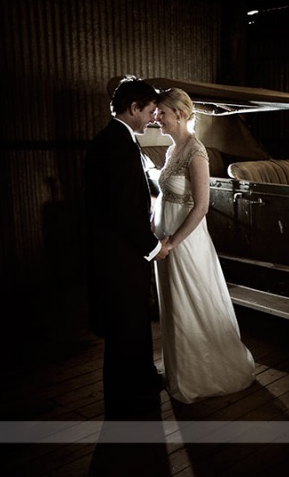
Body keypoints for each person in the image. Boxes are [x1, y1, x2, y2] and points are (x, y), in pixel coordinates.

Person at [152, 87, 256, 404]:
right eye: (156, 113)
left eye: (162, 113)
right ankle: (179, 368)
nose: (157, 119)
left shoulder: (196, 152)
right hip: (165, 240)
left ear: (180, 114)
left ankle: (200, 374)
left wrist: (173, 241)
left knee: (190, 301)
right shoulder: (172, 150)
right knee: (171, 303)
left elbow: (201, 207)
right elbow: (165, 195)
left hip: (183, 242)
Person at [85, 75, 171, 417]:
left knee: (130, 325)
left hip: (116, 252)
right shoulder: (117, 145)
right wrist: (154, 247)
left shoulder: (113, 140)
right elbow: (122, 211)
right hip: (119, 255)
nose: (153, 116)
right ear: (133, 108)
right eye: (150, 110)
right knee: (126, 328)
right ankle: (128, 402)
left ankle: (139, 385)